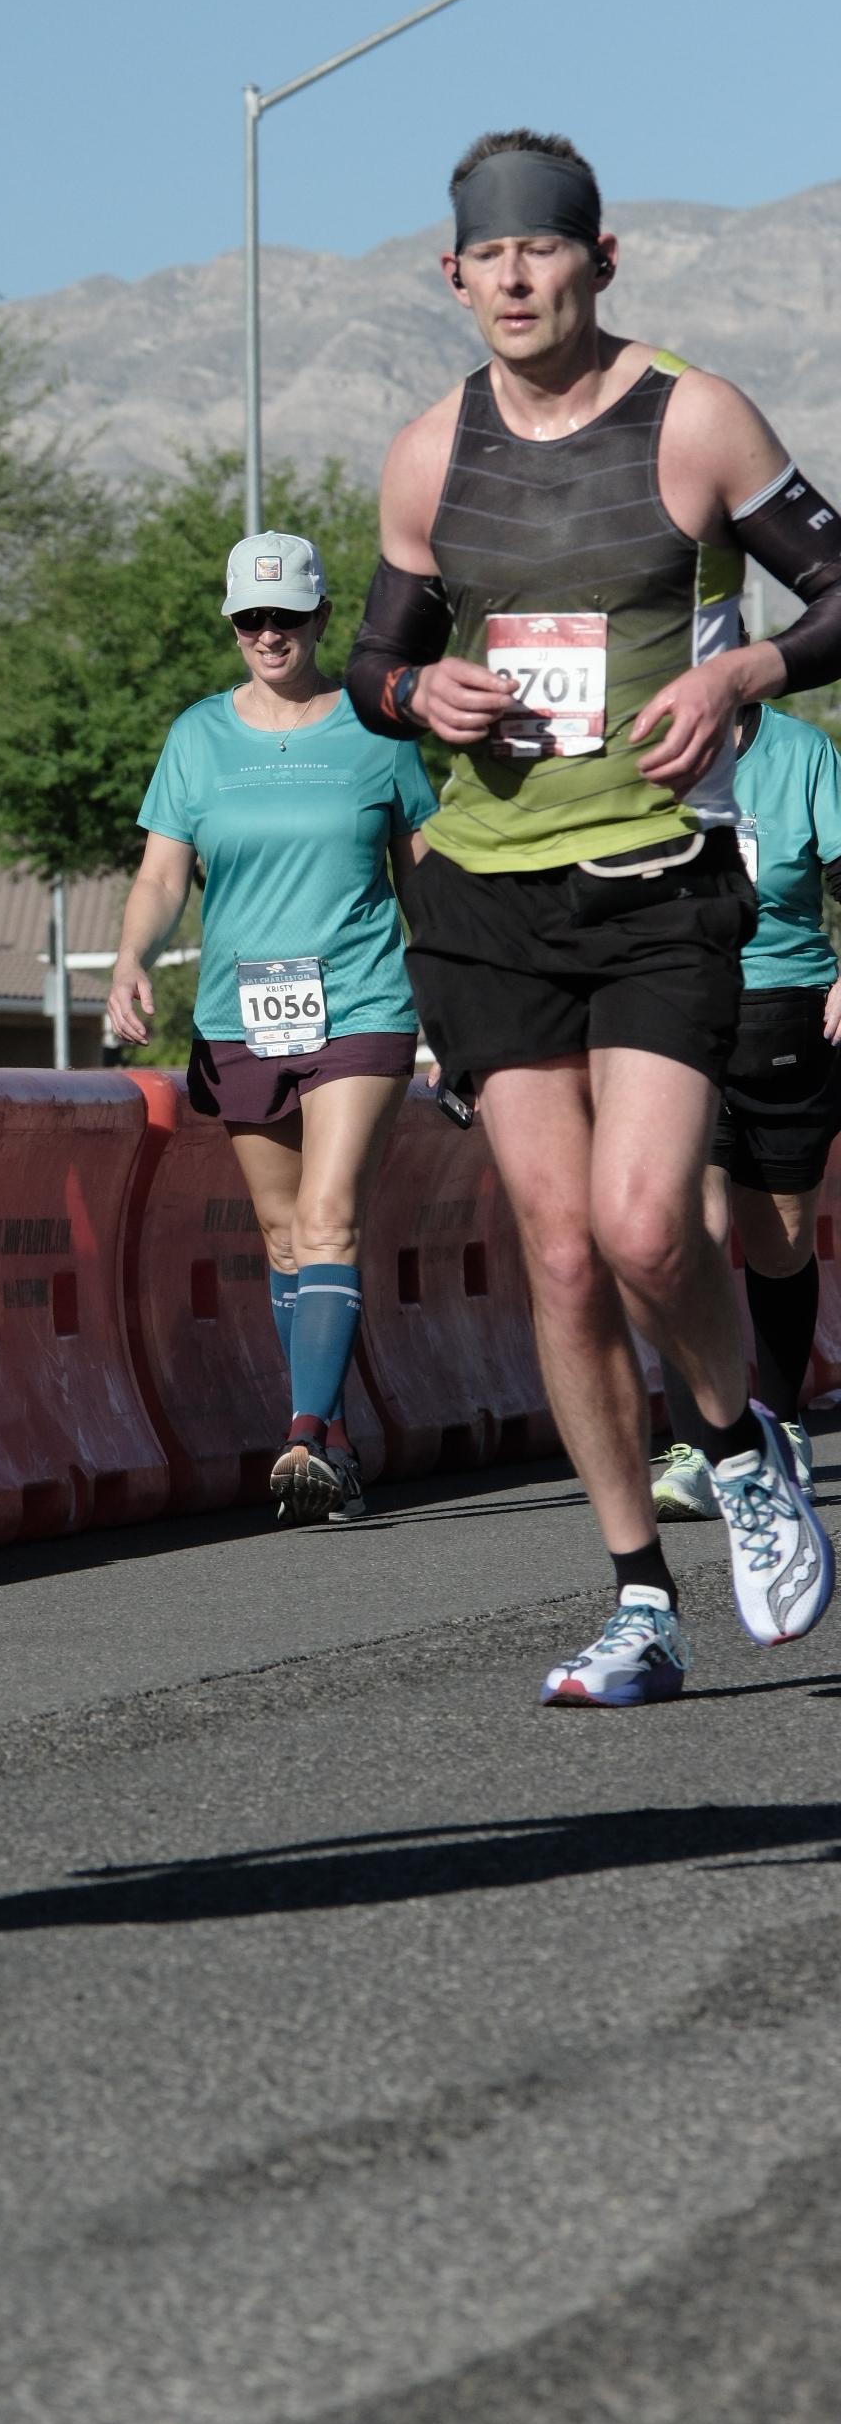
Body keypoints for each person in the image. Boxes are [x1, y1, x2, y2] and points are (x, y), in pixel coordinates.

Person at [346, 127, 841, 1704]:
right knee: (561, 1258)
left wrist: (740, 669)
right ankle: (638, 1598)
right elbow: (371, 666)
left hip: (658, 883)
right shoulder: (428, 454)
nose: (514, 279)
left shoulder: (693, 419)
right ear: (452, 276)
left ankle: (738, 1442)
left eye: (542, 249)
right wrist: (417, 694)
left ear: (600, 259)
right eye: (487, 256)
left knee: (644, 1226)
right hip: (484, 896)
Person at [105, 529, 431, 1525]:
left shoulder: (377, 732)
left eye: (285, 615)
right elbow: (163, 874)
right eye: (250, 618)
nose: (268, 634)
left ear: (321, 617)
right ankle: (334, 1444)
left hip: (361, 1004)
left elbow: (424, 875)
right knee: (286, 1238)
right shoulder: (197, 737)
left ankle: (300, 1432)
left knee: (329, 1216)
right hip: (241, 1015)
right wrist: (130, 957)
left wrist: (461, 993)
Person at [649, 696, 841, 1517]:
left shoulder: (802, 752)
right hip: (671, 1014)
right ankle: (699, 1442)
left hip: (786, 1012)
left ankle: (784, 1421)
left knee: (781, 1243)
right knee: (684, 1231)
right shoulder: (640, 743)